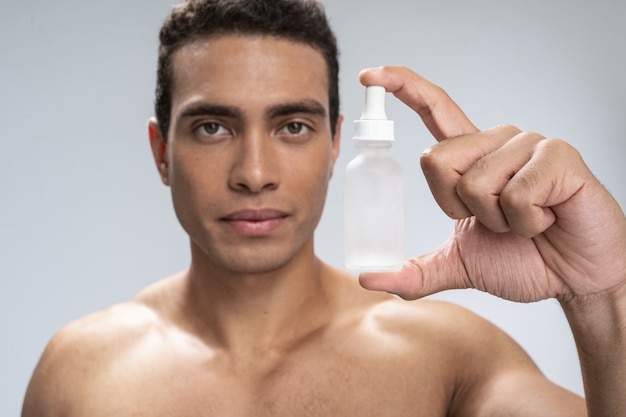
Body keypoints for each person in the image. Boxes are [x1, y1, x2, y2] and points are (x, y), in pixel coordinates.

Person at [22, 0, 625, 415]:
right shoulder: (79, 371)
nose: (254, 174)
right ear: (161, 152)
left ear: (336, 144)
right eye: (212, 127)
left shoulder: (444, 358)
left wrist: (602, 296)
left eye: (292, 126)